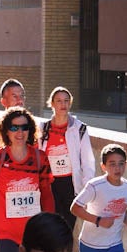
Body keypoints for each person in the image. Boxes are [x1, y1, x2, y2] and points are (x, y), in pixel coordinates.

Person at [0, 106, 53, 252]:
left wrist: (51, 223)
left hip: (32, 232)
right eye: (14, 127)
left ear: (30, 130)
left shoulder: (40, 158)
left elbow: (46, 193)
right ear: (6, 131)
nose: (20, 132)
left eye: (24, 127)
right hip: (3, 232)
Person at [39, 87, 96, 220]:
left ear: (70, 103)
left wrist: (86, 189)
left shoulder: (79, 128)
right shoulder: (43, 128)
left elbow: (88, 161)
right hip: (50, 184)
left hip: (71, 184)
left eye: (66, 101)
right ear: (52, 104)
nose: (63, 104)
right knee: (51, 222)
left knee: (68, 224)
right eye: (59, 101)